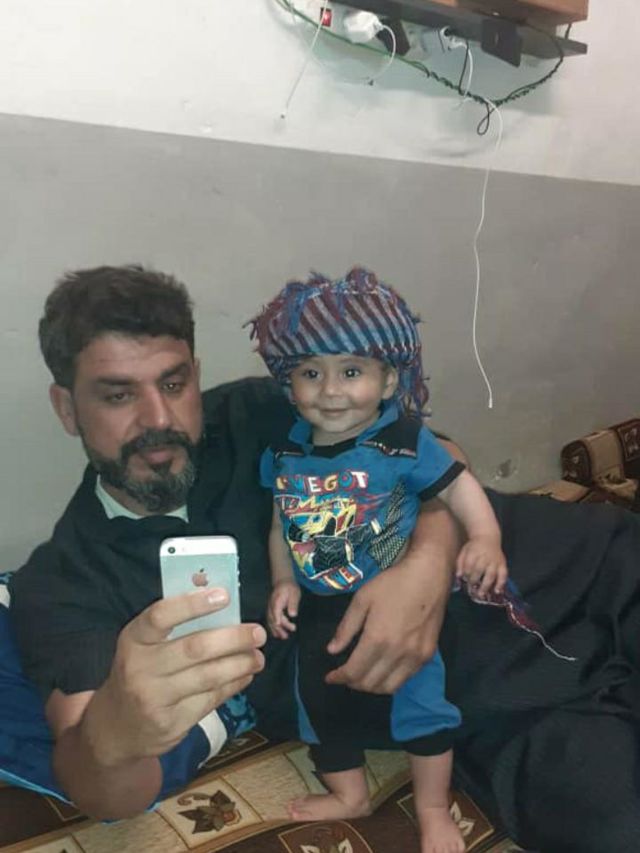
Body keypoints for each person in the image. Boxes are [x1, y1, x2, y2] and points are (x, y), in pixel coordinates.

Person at [8, 264, 458, 822]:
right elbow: (105, 795)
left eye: (174, 385)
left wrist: (428, 565)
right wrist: (116, 731)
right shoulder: (65, 583)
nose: (158, 419)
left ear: (195, 376)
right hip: (460, 701)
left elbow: (442, 454)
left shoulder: (258, 414)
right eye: (119, 395)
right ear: (67, 408)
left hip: (511, 582)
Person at [249, 267, 507, 853]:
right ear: (290, 384)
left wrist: (485, 538)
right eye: (310, 373)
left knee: (423, 708)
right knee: (320, 705)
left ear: (388, 380)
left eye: (350, 372)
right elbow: (280, 523)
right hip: (321, 605)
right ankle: (350, 795)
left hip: (397, 602)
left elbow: (458, 487)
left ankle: (434, 808)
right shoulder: (284, 451)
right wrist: (284, 580)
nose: (330, 390)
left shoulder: (403, 440)